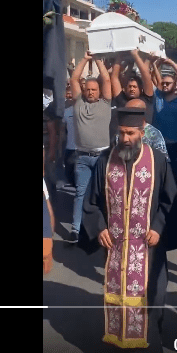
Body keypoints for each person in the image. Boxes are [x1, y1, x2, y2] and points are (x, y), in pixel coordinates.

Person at [82, 107, 177, 353]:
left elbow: (169, 200)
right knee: (120, 295)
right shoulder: (106, 160)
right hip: (117, 246)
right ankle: (120, 345)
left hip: (149, 245)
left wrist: (158, 227)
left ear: (142, 132)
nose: (125, 139)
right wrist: (100, 228)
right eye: (122, 133)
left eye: (130, 133)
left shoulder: (157, 161)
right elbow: (91, 201)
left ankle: (148, 345)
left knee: (154, 294)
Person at [69, 51, 112, 243]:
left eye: (94, 89)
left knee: (105, 194)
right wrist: (85, 59)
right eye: (88, 89)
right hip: (82, 158)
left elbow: (107, 79)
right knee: (80, 193)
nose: (91, 92)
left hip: (103, 156)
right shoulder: (78, 103)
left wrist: (98, 60)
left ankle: (104, 229)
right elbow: (74, 78)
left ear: (99, 91)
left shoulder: (105, 103)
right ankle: (76, 230)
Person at [151, 58, 177, 194]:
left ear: (175, 84)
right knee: (158, 173)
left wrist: (171, 63)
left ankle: (175, 199)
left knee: (175, 173)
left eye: (168, 83)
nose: (165, 85)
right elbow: (153, 76)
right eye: (163, 83)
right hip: (158, 144)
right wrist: (155, 64)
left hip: (175, 144)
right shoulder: (158, 96)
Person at [110, 49, 155, 125]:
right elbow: (114, 78)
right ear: (125, 88)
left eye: (134, 87)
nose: (132, 89)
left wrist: (135, 55)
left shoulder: (147, 99)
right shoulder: (122, 99)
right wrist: (119, 57)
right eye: (130, 86)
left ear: (141, 89)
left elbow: (146, 77)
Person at [63, 85, 77, 187]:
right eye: (67, 94)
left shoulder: (85, 110)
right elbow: (62, 130)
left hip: (82, 149)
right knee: (69, 175)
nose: (69, 96)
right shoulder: (66, 111)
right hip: (70, 148)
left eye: (71, 94)